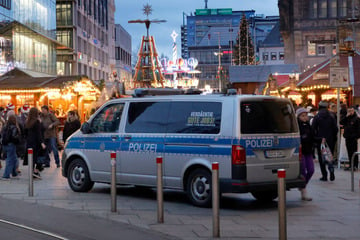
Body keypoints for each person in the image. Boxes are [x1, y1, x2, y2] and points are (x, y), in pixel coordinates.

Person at [312, 101, 338, 181]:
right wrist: (333, 138)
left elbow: (313, 129)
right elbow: (335, 129)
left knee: (321, 158)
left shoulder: (317, 117)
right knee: (329, 156)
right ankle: (331, 170)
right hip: (330, 140)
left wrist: (317, 138)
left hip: (321, 141)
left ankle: (324, 175)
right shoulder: (331, 116)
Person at [296, 107, 314, 201]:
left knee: (311, 170)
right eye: (303, 115)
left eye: (306, 115)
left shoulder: (308, 125)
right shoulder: (297, 126)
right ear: (298, 116)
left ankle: (302, 185)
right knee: (303, 171)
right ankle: (303, 190)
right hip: (301, 151)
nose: (305, 117)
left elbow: (312, 136)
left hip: (309, 151)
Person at [24, 107, 46, 179]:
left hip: (29, 142)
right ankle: (35, 171)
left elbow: (25, 133)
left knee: (32, 158)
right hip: (36, 142)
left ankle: (32, 171)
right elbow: (38, 133)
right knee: (38, 156)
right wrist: (42, 142)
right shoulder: (37, 122)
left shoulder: (27, 121)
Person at [340, 106, 360, 171]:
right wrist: (346, 116)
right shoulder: (347, 118)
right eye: (349, 111)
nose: (350, 112)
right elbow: (341, 122)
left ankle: (355, 165)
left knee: (354, 152)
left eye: (351, 111)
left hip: (353, 138)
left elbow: (359, 129)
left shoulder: (356, 118)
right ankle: (351, 165)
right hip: (347, 137)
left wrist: (356, 136)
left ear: (354, 111)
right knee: (349, 151)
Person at [1, 115, 20, 180]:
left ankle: (14, 173)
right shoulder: (14, 127)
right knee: (10, 159)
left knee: (14, 158)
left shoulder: (5, 126)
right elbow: (14, 137)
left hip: (5, 144)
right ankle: (6, 175)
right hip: (11, 144)